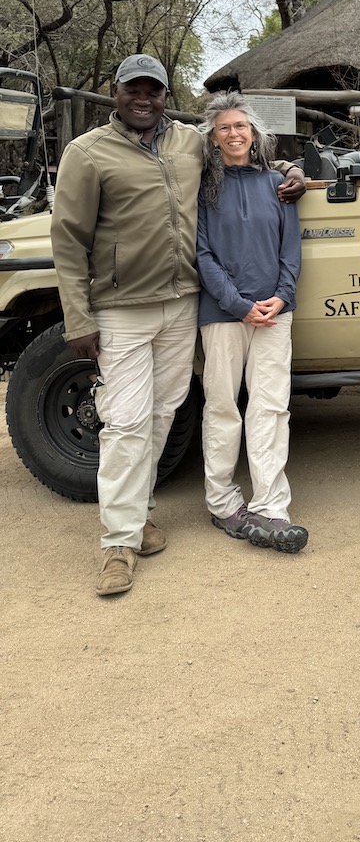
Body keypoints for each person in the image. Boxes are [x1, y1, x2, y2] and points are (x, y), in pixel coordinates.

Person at [51, 55, 306, 597]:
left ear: (166, 95)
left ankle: (139, 514)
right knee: (124, 421)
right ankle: (118, 542)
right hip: (121, 306)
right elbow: (68, 240)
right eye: (133, 90)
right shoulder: (88, 152)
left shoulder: (189, 142)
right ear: (116, 91)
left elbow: (246, 148)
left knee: (165, 412)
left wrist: (290, 172)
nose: (143, 99)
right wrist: (78, 316)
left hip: (180, 304)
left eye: (154, 91)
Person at [196, 93, 307, 553]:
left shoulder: (278, 185)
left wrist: (280, 297)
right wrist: (238, 304)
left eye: (242, 126)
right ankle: (222, 500)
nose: (235, 133)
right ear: (213, 137)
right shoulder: (202, 187)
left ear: (255, 134)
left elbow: (291, 250)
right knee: (223, 406)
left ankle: (271, 506)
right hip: (222, 312)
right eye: (225, 127)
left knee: (270, 407)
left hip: (274, 313)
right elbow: (200, 254)